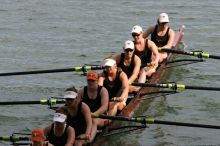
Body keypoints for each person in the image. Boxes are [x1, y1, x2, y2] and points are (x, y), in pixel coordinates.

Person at [78, 70, 109, 141]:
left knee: (94, 120)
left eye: (93, 80)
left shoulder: (103, 91)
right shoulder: (82, 91)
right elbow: (77, 106)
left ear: (97, 81)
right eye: (89, 80)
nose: (90, 82)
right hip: (87, 116)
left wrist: (94, 114)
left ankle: (89, 139)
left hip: (102, 118)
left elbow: (104, 107)